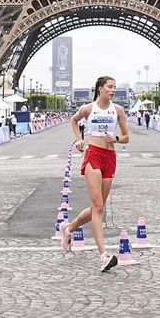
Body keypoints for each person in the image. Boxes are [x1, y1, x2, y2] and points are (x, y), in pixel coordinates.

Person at [61, 75, 129, 273]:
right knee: (98, 207)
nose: (113, 90)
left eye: (115, 87)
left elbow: (126, 137)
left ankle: (69, 228)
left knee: (96, 209)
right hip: (93, 155)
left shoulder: (118, 110)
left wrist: (115, 137)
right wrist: (79, 140)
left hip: (110, 157)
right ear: (100, 88)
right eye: (110, 86)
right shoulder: (89, 109)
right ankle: (103, 255)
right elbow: (74, 121)